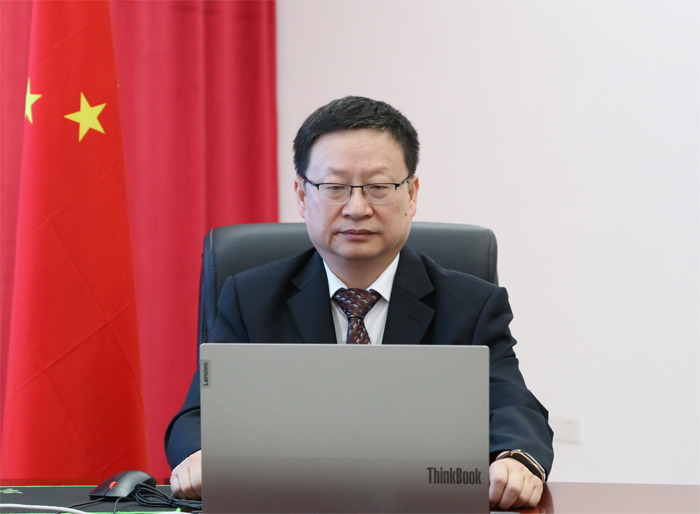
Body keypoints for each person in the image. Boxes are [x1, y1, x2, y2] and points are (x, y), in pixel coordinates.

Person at [164, 96, 554, 510]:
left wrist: (516, 459)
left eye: (378, 187)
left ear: (411, 194)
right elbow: (200, 415)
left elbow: (512, 404)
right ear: (302, 196)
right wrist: (200, 456)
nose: (357, 208)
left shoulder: (471, 305)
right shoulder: (251, 298)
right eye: (334, 187)